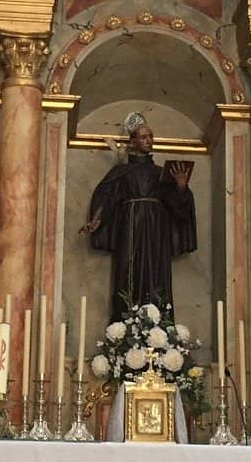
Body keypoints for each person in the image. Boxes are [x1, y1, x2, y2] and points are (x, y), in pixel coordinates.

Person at [81, 111, 197, 320]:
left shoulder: (161, 173)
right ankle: (125, 325)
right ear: (132, 142)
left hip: (155, 229)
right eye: (143, 137)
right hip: (130, 227)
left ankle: (158, 322)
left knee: (156, 273)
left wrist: (180, 188)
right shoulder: (121, 172)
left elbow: (177, 208)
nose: (149, 140)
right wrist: (95, 221)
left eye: (151, 136)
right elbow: (107, 197)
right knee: (127, 270)